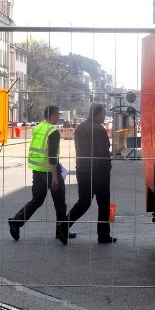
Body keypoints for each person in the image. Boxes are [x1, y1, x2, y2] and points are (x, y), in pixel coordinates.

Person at [8, 105, 70, 244]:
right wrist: (55, 176)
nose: (58, 118)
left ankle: (16, 222)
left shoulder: (38, 128)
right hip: (50, 171)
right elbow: (52, 155)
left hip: (37, 170)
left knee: (36, 200)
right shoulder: (53, 131)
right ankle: (61, 231)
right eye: (57, 115)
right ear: (53, 116)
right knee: (60, 203)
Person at [67, 103, 116, 243]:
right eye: (104, 113)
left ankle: (63, 225)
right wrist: (108, 167)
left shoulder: (80, 127)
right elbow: (103, 153)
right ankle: (103, 235)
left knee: (83, 202)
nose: (104, 115)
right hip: (98, 172)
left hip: (82, 170)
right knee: (103, 204)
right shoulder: (99, 130)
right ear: (99, 113)